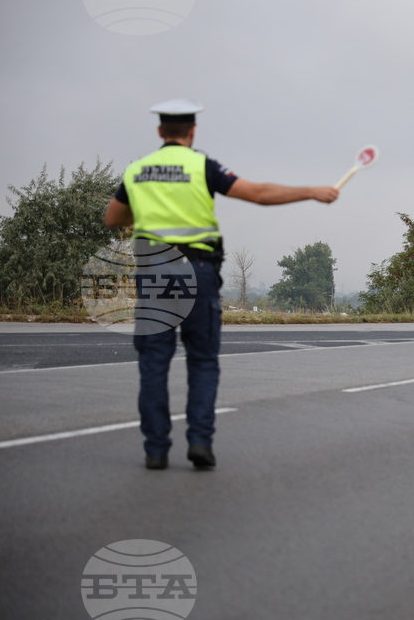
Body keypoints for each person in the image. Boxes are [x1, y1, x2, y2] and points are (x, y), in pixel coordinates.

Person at [104, 99, 340, 470]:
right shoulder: (202, 166)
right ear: (192, 132)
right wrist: (311, 190)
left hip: (154, 270)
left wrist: (150, 204)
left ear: (160, 132)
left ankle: (155, 450)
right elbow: (259, 194)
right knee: (201, 361)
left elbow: (112, 217)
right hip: (196, 269)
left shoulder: (138, 170)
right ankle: (199, 441)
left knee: (154, 363)